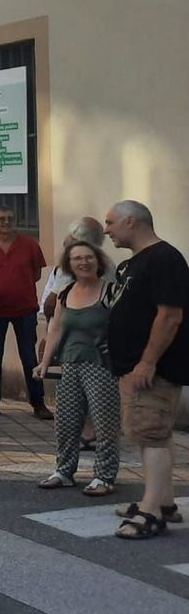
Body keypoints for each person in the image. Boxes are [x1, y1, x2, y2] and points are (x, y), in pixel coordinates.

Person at [103, 200, 189, 539]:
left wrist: (147, 361)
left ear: (130, 221)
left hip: (154, 369)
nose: (106, 229)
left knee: (150, 435)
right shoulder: (134, 263)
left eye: (111, 222)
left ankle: (151, 513)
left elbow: (170, 315)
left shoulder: (164, 259)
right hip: (134, 365)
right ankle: (163, 501)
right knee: (154, 434)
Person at [35, 240, 118, 495]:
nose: (84, 262)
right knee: (66, 422)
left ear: (98, 261)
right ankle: (64, 471)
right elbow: (55, 328)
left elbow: (126, 327)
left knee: (105, 424)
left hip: (101, 367)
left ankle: (104, 477)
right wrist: (45, 363)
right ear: (69, 265)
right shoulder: (65, 293)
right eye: (77, 258)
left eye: (89, 257)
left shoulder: (111, 291)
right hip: (70, 365)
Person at [0, 206, 52, 420]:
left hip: (24, 309)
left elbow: (35, 274)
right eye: (1, 219)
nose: (6, 222)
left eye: (10, 218)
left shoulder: (30, 245)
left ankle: (38, 403)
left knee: (28, 356)